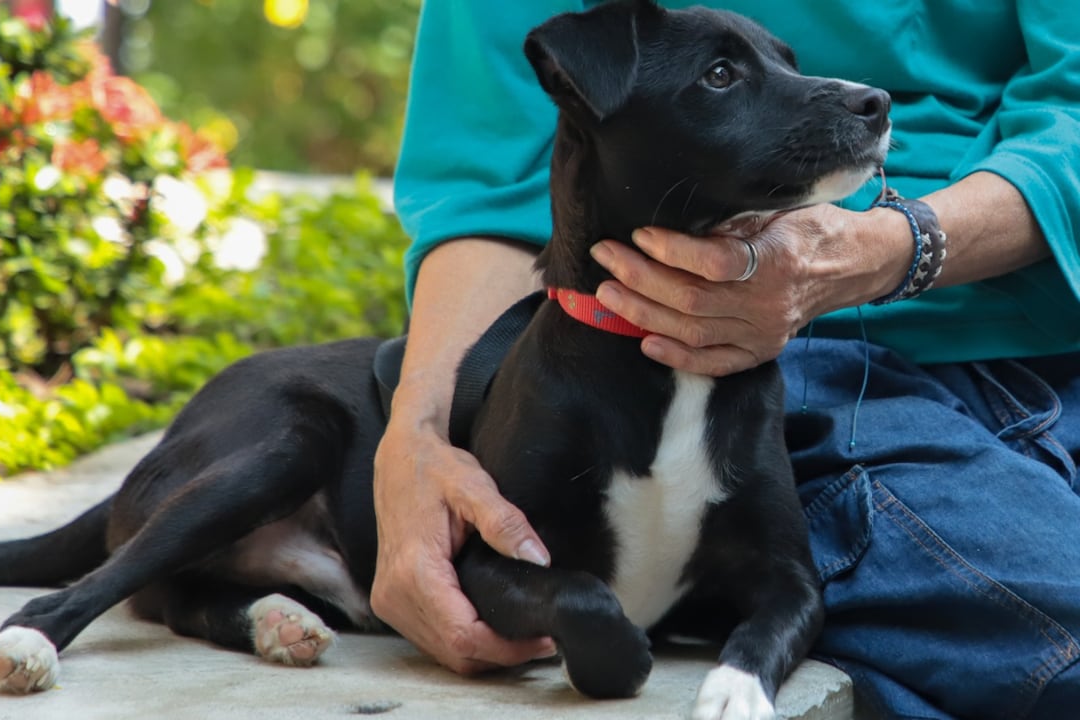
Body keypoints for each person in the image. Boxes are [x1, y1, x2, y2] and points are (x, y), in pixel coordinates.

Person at [370, 1, 1080, 718]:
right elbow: (488, 190)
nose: (862, 95)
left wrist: (881, 250)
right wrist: (420, 432)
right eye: (721, 75)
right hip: (788, 346)